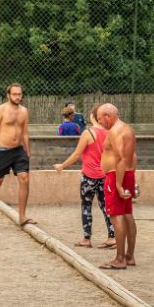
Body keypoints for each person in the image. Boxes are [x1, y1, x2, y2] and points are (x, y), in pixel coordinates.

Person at [53, 106, 116, 248]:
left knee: (86, 205)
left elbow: (76, 155)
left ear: (93, 116)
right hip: (104, 175)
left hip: (89, 176)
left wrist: (62, 166)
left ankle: (87, 239)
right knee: (106, 206)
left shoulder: (88, 133)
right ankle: (112, 237)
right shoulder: (109, 133)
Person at [0, 83, 35, 230]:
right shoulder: (1, 110)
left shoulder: (24, 111)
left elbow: (25, 133)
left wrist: (27, 151)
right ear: (8, 95)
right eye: (15, 94)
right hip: (2, 151)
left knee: (24, 178)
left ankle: (22, 216)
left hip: (19, 151)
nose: (18, 97)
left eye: (20, 94)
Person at [97, 103, 138, 270]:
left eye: (100, 119)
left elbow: (120, 158)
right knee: (127, 214)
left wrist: (119, 184)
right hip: (127, 174)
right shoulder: (127, 129)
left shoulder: (114, 131)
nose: (100, 123)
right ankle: (129, 256)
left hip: (116, 176)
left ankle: (119, 259)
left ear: (108, 116)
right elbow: (133, 156)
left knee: (117, 216)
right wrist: (131, 180)